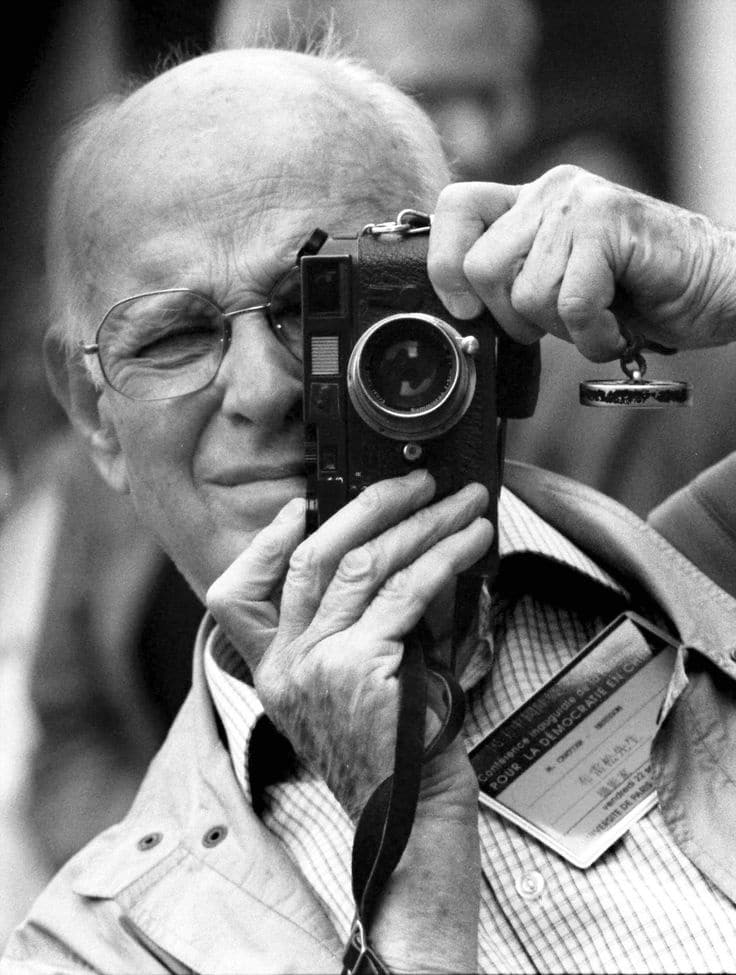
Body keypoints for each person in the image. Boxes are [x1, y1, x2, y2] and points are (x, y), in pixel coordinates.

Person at [3, 40, 736, 974]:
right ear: (92, 416)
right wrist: (414, 867)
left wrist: (722, 277)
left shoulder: (710, 572)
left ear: (467, 297)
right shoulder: (97, 947)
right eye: (175, 336)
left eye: (317, 304)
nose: (265, 389)